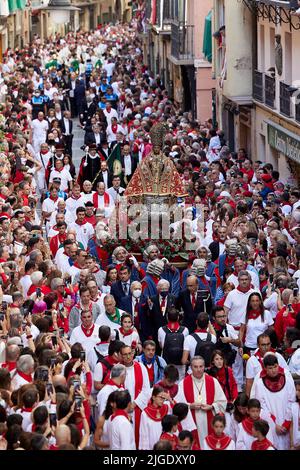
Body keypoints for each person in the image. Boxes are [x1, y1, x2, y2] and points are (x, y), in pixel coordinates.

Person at [174, 356, 227, 449]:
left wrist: (211, 407)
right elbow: (177, 406)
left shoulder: (213, 381)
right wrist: (190, 406)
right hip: (192, 422)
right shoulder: (183, 383)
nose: (198, 369)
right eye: (195, 367)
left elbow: (223, 401)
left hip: (209, 420)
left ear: (204, 367)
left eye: (201, 366)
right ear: (190, 367)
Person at [251, 354, 296, 449]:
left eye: (275, 367)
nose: (274, 370)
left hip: (286, 422)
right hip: (271, 425)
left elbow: (291, 401)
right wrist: (274, 424)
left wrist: (287, 422)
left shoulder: (287, 380)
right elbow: (262, 407)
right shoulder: (260, 384)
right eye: (270, 368)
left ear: (278, 365)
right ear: (265, 369)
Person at [245, 333, 288, 397]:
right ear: (258, 345)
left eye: (268, 344)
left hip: (279, 392)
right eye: (263, 345)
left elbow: (287, 375)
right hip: (261, 394)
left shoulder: (278, 356)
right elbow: (249, 382)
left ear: (271, 344)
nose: (266, 347)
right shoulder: (252, 361)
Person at [290, 380, 300, 450]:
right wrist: (291, 445)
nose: (297, 393)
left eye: (299, 390)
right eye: (296, 390)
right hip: (295, 444)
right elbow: (291, 426)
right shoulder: (293, 406)